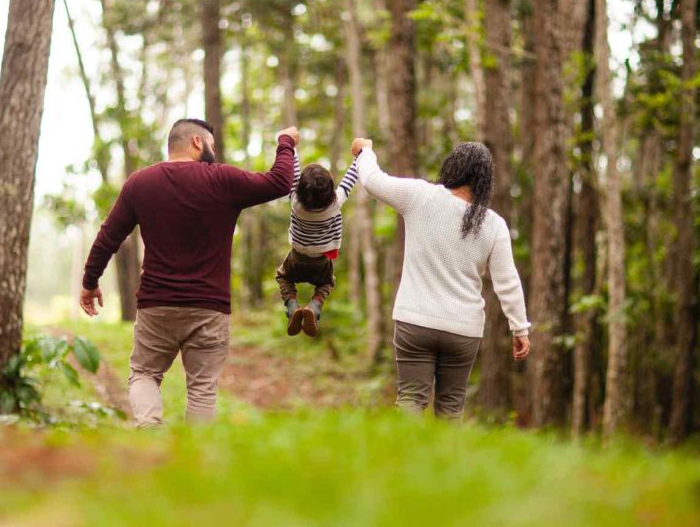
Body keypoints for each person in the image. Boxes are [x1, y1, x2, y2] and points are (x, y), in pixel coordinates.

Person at [79, 119, 299, 427]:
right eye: (212, 144)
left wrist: (90, 282)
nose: (214, 150)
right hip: (210, 308)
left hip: (158, 306)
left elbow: (108, 237)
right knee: (202, 390)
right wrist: (285, 142)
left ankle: (151, 431)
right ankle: (193, 459)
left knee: (144, 374)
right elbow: (280, 182)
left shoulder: (140, 184)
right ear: (197, 142)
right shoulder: (223, 180)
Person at [353, 138, 531, 419]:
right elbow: (507, 282)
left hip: (415, 322)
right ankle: (445, 463)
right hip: (463, 330)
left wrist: (365, 152)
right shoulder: (493, 224)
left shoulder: (420, 195)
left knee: (410, 401)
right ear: (485, 182)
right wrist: (519, 328)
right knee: (451, 410)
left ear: (453, 168)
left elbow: (373, 181)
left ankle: (401, 462)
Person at [275, 147, 359, 337]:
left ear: (300, 190)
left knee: (284, 277)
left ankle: (292, 305)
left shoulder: (295, 201)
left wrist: (292, 148)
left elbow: (294, 171)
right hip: (321, 259)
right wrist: (360, 156)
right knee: (327, 283)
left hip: (297, 255)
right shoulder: (336, 203)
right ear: (330, 189)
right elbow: (351, 178)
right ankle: (314, 307)